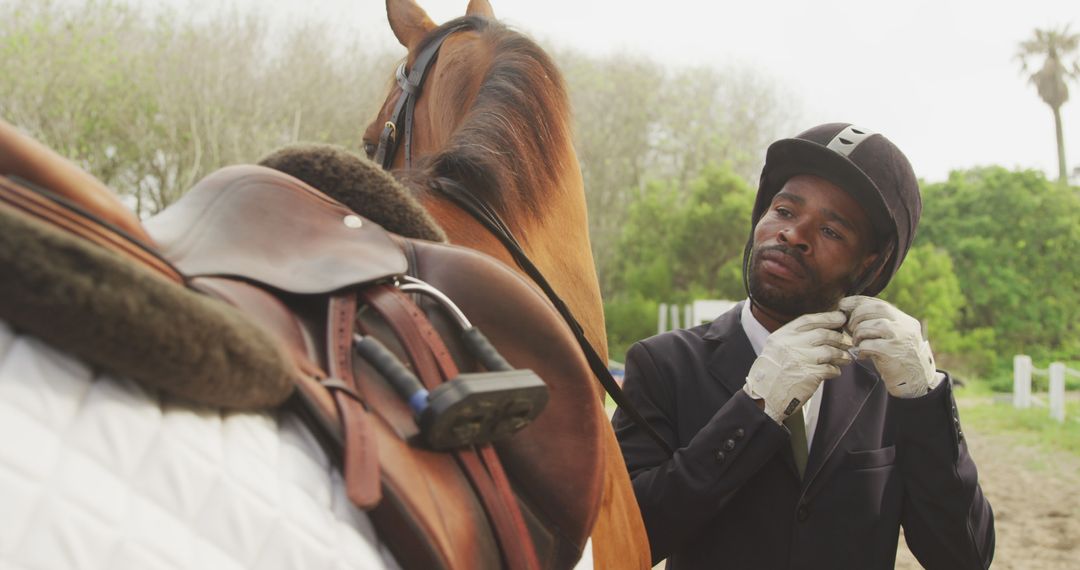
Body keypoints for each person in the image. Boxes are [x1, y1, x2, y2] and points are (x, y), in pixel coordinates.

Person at [612, 123, 995, 569]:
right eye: (785, 211)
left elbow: (964, 557)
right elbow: (625, 539)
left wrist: (923, 396)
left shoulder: (888, 382)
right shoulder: (663, 364)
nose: (794, 234)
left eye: (832, 231)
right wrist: (753, 410)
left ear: (869, 262)